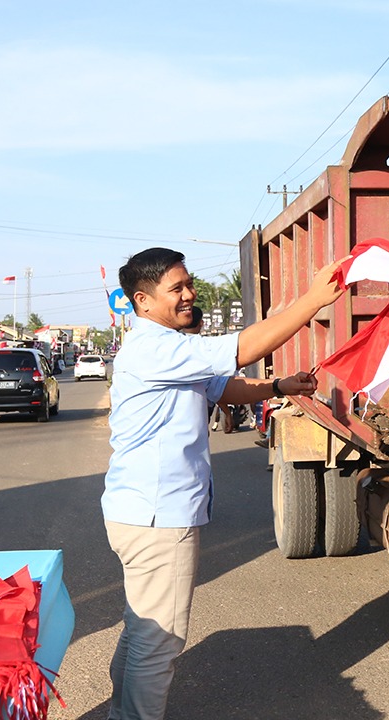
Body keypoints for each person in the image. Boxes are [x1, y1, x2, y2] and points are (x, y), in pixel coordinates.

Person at [103, 247, 344, 719]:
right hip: (158, 518)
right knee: (158, 643)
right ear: (143, 301)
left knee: (141, 630)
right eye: (177, 289)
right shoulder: (156, 347)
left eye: (189, 283)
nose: (190, 294)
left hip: (141, 513)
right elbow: (242, 349)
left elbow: (221, 386)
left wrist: (278, 388)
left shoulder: (166, 348)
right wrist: (312, 301)